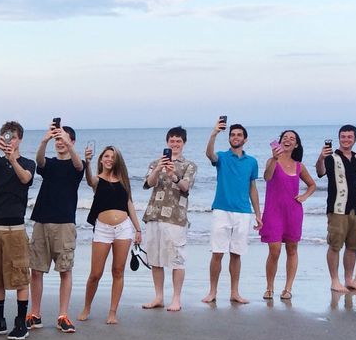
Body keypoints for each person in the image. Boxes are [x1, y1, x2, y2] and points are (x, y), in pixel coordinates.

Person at [0, 121, 37, 340]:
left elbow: (25, 179)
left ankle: (21, 323)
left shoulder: (28, 162)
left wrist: (13, 159)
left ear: (19, 138)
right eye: (5, 135)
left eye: (12, 136)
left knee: (20, 276)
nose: (9, 139)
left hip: (15, 230)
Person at [27, 122, 85, 333]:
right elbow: (39, 161)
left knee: (65, 270)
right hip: (42, 220)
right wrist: (45, 139)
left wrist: (69, 145)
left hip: (64, 223)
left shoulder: (77, 164)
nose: (60, 142)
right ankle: (35, 314)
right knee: (36, 269)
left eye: (64, 139)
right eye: (57, 139)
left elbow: (79, 167)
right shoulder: (50, 163)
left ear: (72, 141)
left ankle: (63, 315)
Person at [79, 146, 143, 325]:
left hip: (124, 228)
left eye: (112, 157)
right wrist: (88, 162)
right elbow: (90, 181)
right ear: (101, 159)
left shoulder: (123, 180)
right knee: (95, 273)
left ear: (117, 161)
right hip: (102, 228)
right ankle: (86, 307)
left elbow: (129, 204)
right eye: (106, 156)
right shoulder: (97, 180)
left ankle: (113, 312)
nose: (109, 159)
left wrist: (138, 229)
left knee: (118, 270)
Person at [202, 120, 262, 305]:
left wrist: (258, 214)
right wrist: (214, 133)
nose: (235, 137)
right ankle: (212, 291)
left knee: (236, 253)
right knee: (217, 252)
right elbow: (209, 154)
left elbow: (252, 188)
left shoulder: (252, 162)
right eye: (232, 134)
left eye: (239, 135)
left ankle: (234, 292)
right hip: (221, 209)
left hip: (243, 212)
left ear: (245, 139)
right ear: (229, 138)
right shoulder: (222, 157)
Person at [141, 127, 197, 312]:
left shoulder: (189, 165)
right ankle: (158, 296)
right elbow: (148, 184)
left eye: (178, 141)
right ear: (167, 142)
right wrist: (158, 169)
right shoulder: (155, 162)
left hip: (176, 217)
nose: (175, 144)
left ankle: (176, 299)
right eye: (172, 141)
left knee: (176, 259)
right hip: (155, 214)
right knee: (155, 259)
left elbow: (185, 187)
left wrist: (173, 174)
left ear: (184, 143)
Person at [260, 130, 317, 301]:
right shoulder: (272, 161)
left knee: (292, 249)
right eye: (285, 138)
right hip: (273, 211)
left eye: (292, 139)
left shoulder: (299, 165)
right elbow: (267, 177)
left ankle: (288, 288)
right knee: (274, 250)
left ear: (296, 144)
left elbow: (312, 185)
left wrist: (304, 196)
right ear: (279, 142)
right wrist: (275, 159)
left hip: (293, 212)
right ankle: (269, 287)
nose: (288, 140)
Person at [315, 125, 356, 294]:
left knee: (353, 246)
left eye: (349, 137)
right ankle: (334, 281)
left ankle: (349, 279)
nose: (346, 139)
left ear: (355, 139)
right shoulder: (331, 157)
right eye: (343, 137)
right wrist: (321, 158)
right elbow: (320, 172)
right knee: (335, 245)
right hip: (337, 208)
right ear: (339, 138)